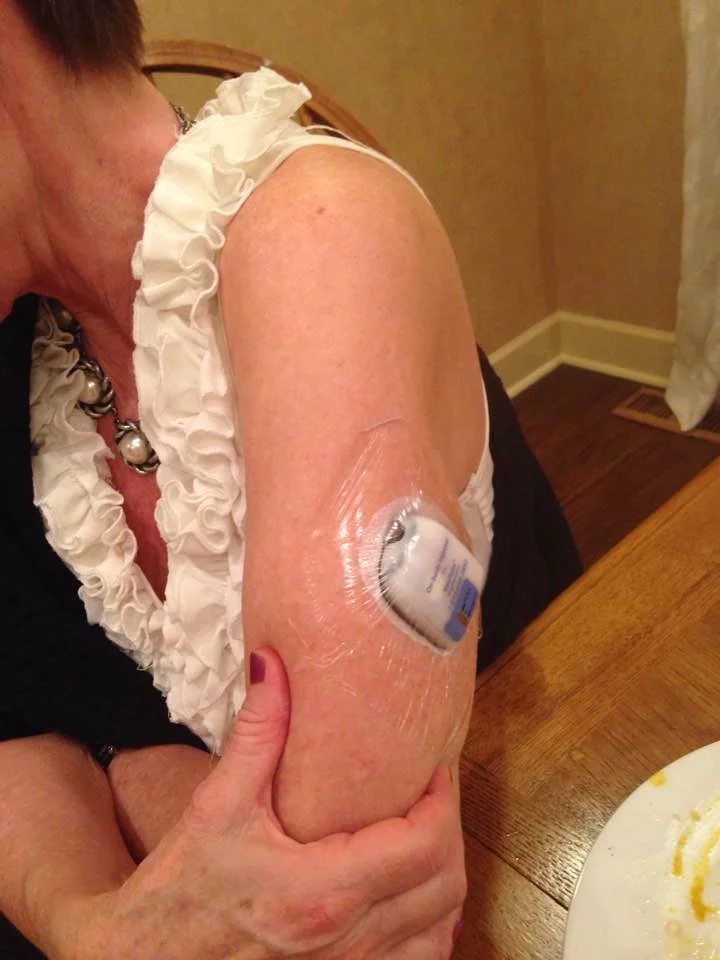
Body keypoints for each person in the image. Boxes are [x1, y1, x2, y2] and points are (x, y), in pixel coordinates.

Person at [0, 1, 581, 956]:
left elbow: (338, 896)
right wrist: (85, 925)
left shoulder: (319, 234)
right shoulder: (23, 350)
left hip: (544, 857)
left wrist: (124, 773)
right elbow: (12, 723)